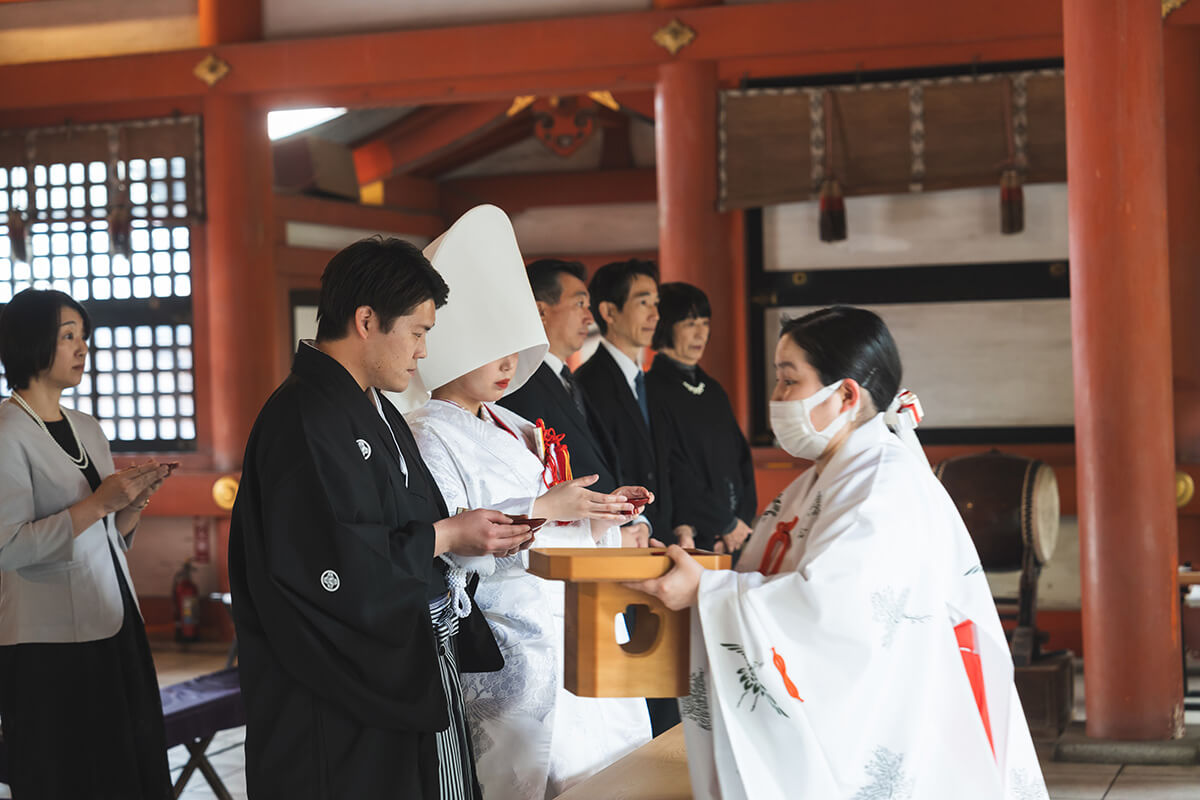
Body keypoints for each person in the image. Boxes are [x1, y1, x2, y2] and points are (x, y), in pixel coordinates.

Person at [631, 306, 1049, 800]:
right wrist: (700, 568)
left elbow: (836, 614)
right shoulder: (824, 477)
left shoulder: (882, 485)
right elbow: (769, 571)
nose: (777, 398)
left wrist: (707, 589)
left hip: (883, 718)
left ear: (846, 394)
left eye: (790, 381)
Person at [228, 237, 533, 800]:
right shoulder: (303, 418)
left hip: (399, 660)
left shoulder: (373, 408)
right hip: (333, 690)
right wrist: (446, 534)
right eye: (417, 332)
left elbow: (404, 523)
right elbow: (329, 566)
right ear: (367, 320)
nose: (422, 352)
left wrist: (467, 533)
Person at [399, 206, 652, 799]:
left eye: (515, 346)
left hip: (576, 612)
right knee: (543, 773)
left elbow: (557, 506)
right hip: (512, 633)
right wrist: (547, 507)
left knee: (617, 762)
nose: (510, 363)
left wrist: (603, 515)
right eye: (494, 348)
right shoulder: (428, 433)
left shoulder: (513, 422)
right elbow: (451, 544)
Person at [0, 288, 174, 799]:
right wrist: (99, 503)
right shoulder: (6, 432)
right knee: (71, 776)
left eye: (85, 337)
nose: (83, 349)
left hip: (114, 621)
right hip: (47, 644)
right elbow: (8, 549)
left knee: (127, 768)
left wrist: (131, 505)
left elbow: (105, 540)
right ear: (31, 343)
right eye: (68, 336)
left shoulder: (86, 427)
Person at [574, 257, 679, 736]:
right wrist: (634, 523)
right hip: (620, 540)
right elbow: (598, 467)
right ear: (608, 312)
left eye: (657, 302)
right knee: (640, 682)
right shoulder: (590, 380)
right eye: (643, 301)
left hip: (653, 539)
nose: (655, 313)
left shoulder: (648, 379)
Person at [499, 258, 652, 547]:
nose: (589, 318)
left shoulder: (566, 378)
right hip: (566, 543)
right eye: (579, 304)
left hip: (607, 535)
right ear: (541, 311)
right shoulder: (520, 383)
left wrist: (634, 520)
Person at [647, 282, 756, 554]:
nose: (701, 334)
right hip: (691, 536)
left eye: (705, 323)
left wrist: (739, 522)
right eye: (689, 323)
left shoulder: (713, 389)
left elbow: (741, 457)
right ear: (666, 325)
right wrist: (723, 523)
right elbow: (672, 467)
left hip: (734, 536)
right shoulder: (652, 389)